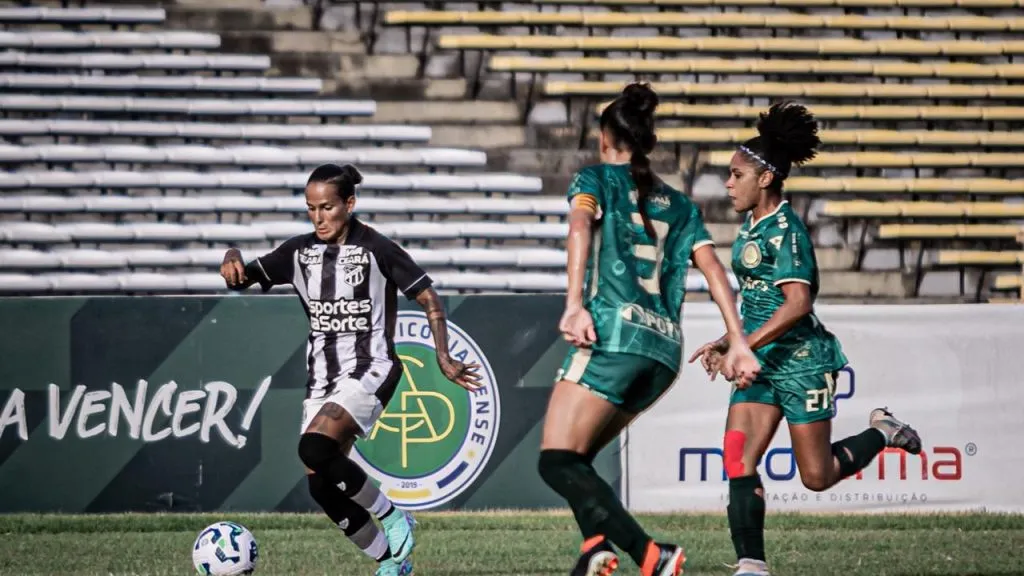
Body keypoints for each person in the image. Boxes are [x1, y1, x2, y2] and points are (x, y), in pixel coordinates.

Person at [688, 102, 923, 576]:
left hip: (801, 362)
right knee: (737, 456)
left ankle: (883, 431)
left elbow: (798, 304)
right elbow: (762, 302)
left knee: (816, 477)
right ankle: (751, 564)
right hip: (760, 361)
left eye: (736, 175)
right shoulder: (753, 226)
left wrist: (743, 345)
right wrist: (728, 341)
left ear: (766, 179)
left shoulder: (788, 232)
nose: (728, 184)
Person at [537, 82, 762, 576]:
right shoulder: (680, 205)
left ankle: (651, 555)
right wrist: (739, 340)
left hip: (614, 336)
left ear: (604, 138)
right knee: (578, 462)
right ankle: (596, 547)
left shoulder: (595, 179)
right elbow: (714, 270)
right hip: (662, 350)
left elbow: (578, 229)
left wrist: (575, 304)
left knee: (555, 462)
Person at [219, 163, 481, 576]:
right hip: (322, 378)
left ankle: (394, 515)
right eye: (311, 208)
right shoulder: (298, 253)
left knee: (313, 448)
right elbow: (242, 278)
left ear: (349, 204)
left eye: (327, 207)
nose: (318, 217)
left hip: (372, 366)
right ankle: (391, 564)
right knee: (320, 485)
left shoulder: (378, 249)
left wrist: (442, 355)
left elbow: (429, 298)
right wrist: (232, 256)